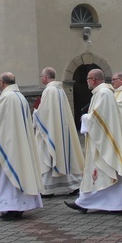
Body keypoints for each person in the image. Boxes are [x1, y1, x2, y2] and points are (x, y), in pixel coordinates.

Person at [65, 69, 122, 214]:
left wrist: (85, 118)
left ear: (93, 80)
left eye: (87, 79)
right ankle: (112, 203)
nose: (86, 82)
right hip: (104, 139)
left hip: (104, 141)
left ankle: (90, 203)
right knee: (105, 171)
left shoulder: (103, 93)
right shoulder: (103, 93)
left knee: (104, 170)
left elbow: (99, 118)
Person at [0, 73, 44, 220]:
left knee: (7, 176)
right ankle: (20, 206)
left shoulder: (6, 97)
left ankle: (11, 208)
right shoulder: (20, 97)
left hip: (9, 145)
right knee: (21, 172)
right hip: (19, 143)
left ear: (3, 82)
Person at [33, 67, 83, 196]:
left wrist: (35, 114)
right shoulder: (60, 90)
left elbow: (44, 112)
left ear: (45, 77)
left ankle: (47, 188)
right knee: (63, 156)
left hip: (51, 129)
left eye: (41, 77)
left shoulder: (49, 91)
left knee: (47, 156)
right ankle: (74, 185)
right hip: (60, 129)